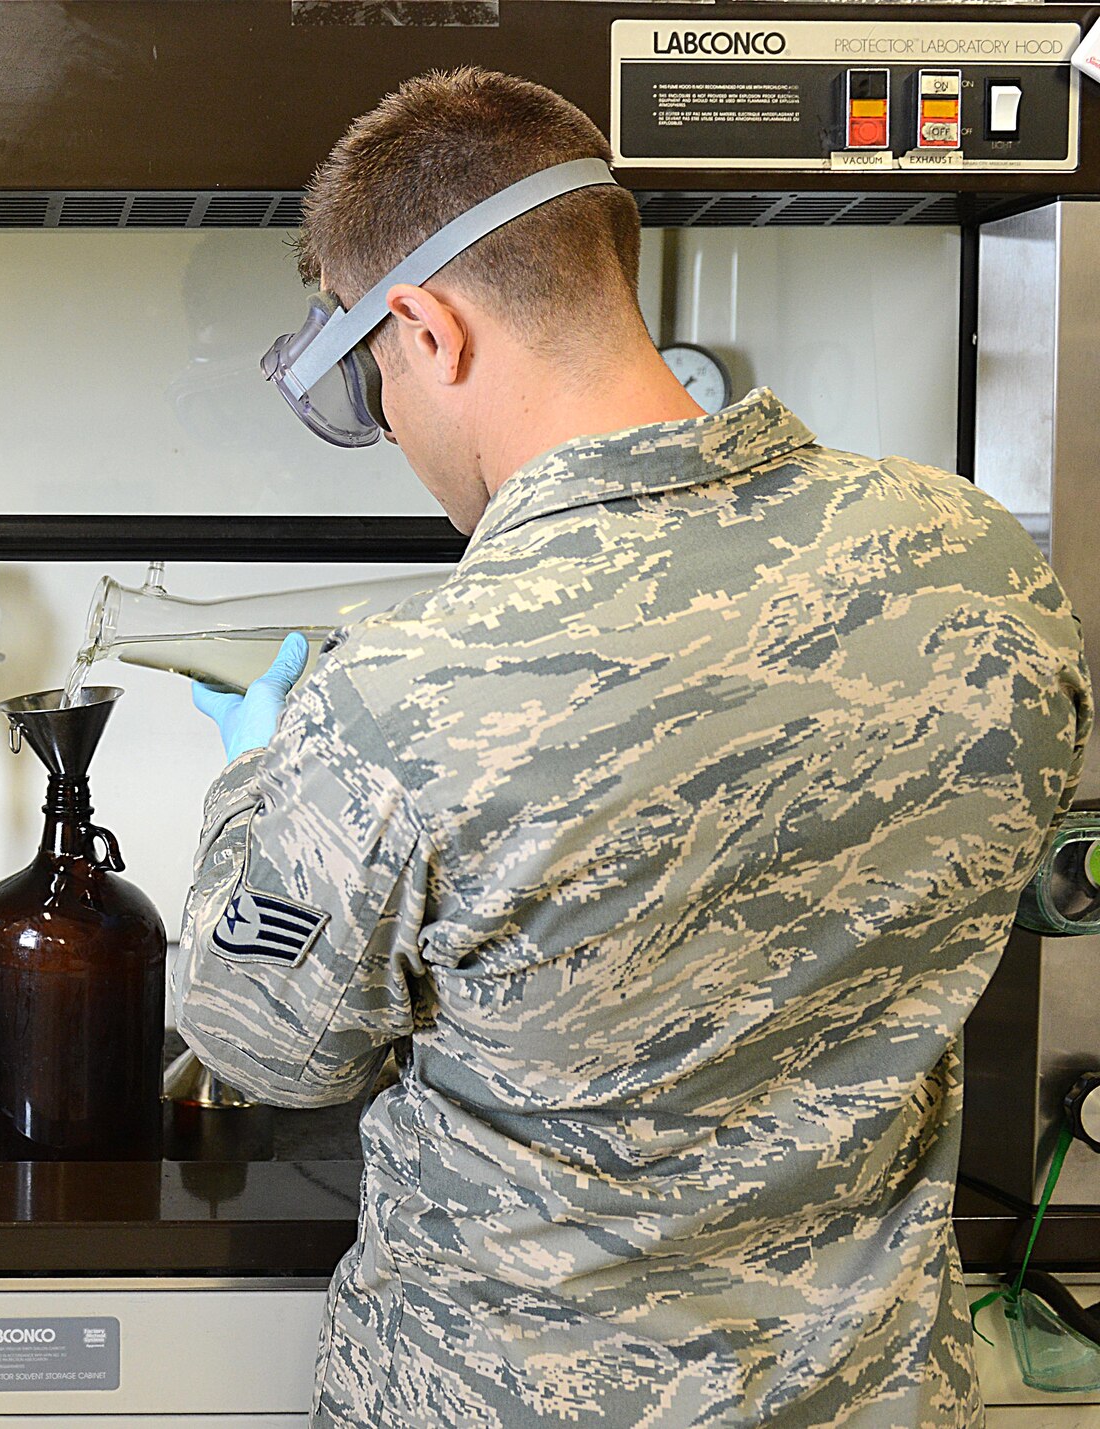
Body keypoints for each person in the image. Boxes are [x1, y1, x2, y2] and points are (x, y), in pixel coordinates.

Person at [174, 66, 1092, 1427]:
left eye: (375, 386)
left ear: (427, 331)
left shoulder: (409, 696)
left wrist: (260, 773)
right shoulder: (976, 565)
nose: (399, 439)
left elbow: (262, 1046)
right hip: (863, 1396)